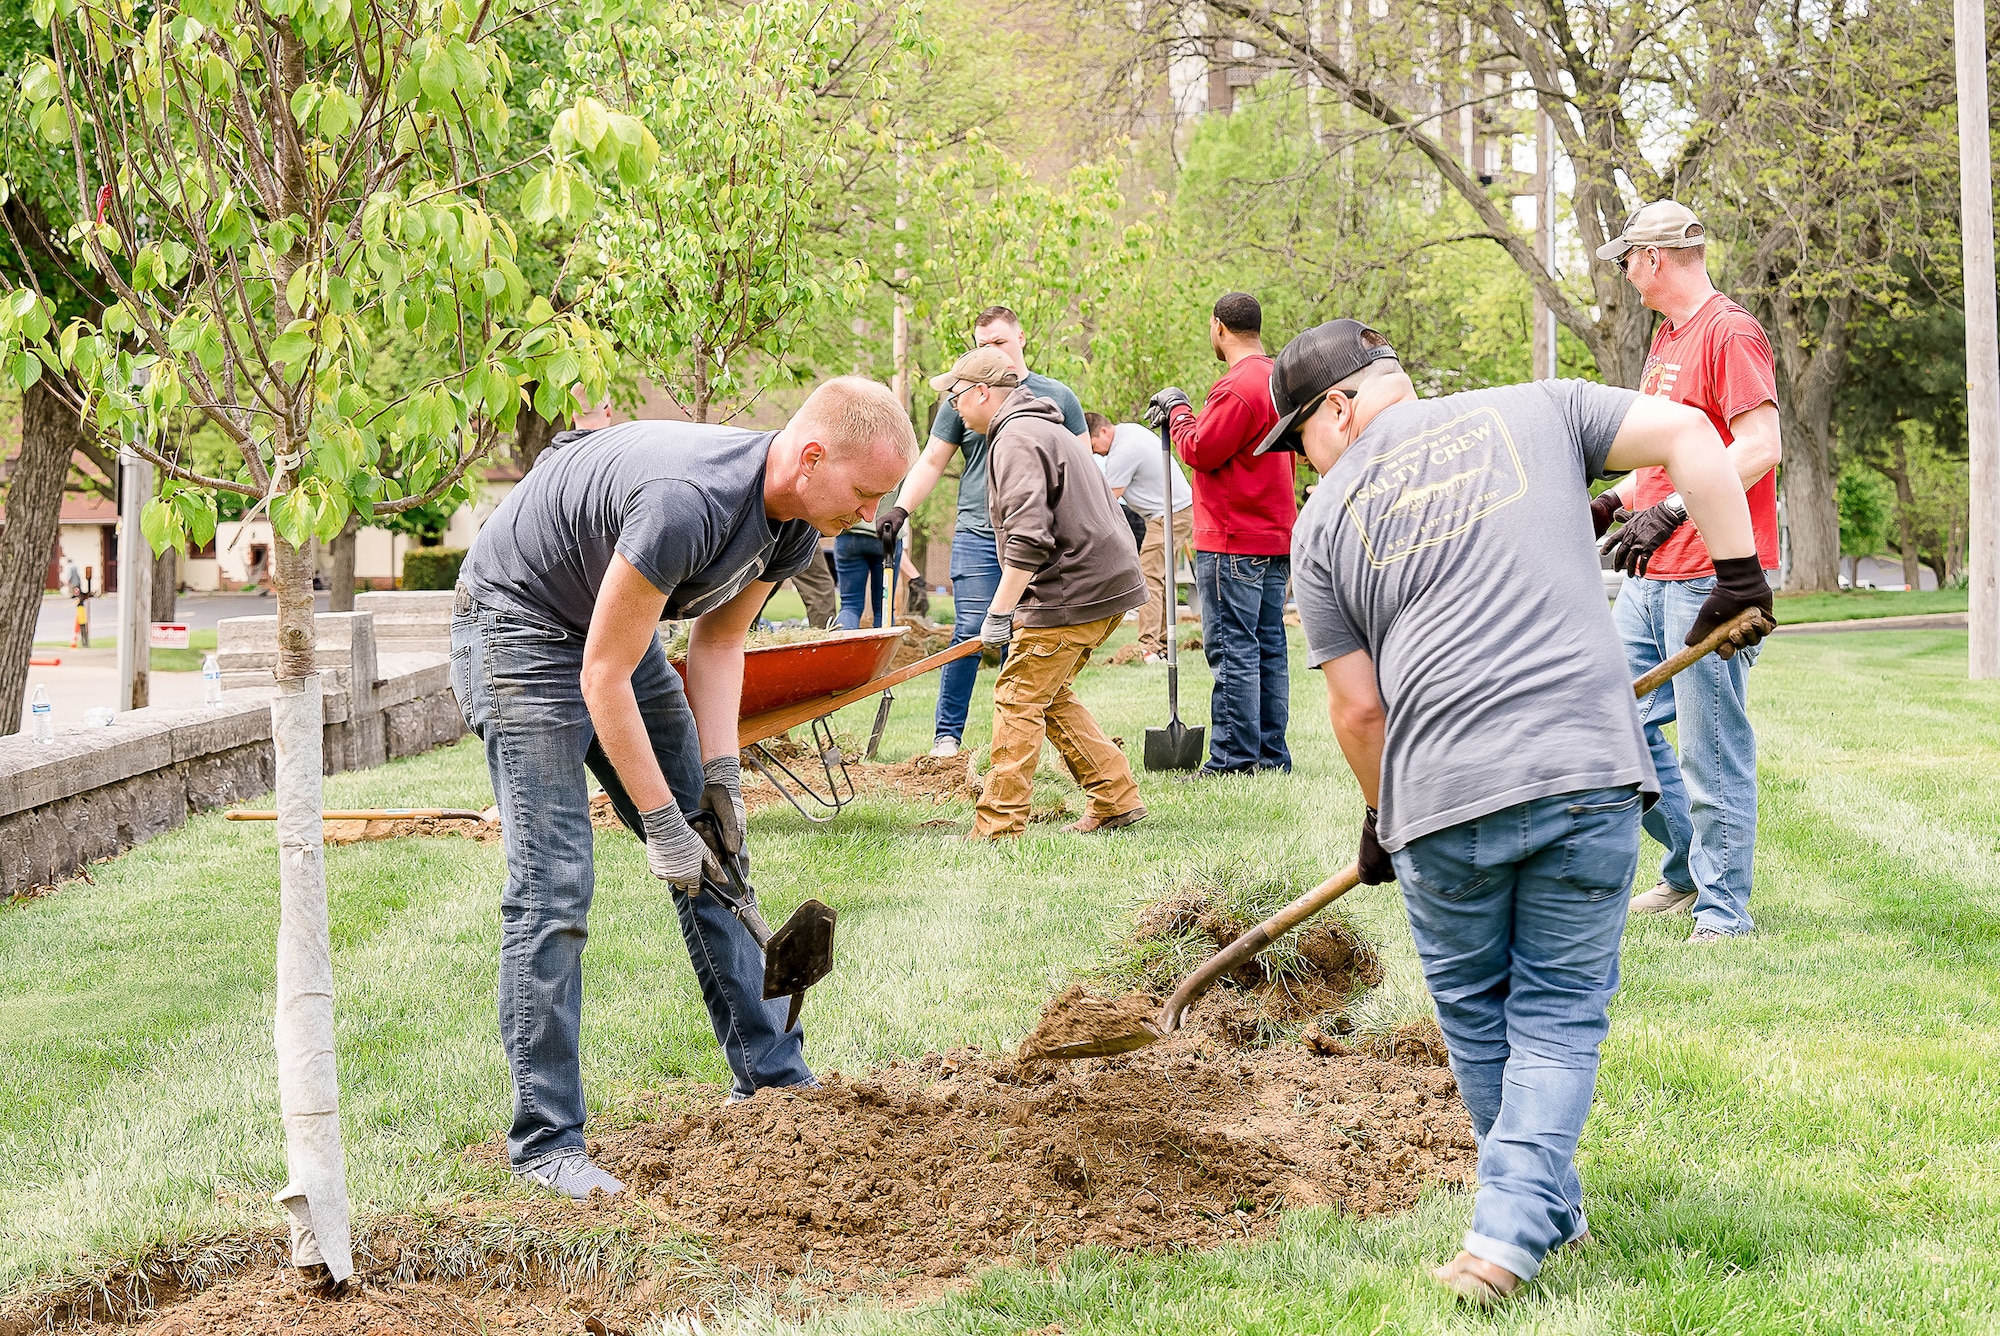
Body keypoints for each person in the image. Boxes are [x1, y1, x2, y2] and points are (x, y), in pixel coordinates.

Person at [1272, 319, 1770, 1306]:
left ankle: (1501, 1235)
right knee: (1553, 1011)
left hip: (1440, 796)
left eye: (1298, 441)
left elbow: (1358, 707)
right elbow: (1692, 438)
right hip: (1582, 774)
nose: (1300, 464)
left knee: (1482, 1017)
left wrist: (1381, 814)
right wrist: (1737, 575)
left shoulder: (1321, 526)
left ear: (1339, 407)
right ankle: (1547, 1209)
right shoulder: (1541, 408)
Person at [452, 377, 916, 1198]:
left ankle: (772, 1080)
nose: (872, 515)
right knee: (554, 886)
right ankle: (547, 1144)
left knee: (718, 848)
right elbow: (601, 675)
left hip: (604, 639)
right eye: (866, 492)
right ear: (812, 459)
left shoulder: (794, 531)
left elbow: (719, 644)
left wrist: (719, 779)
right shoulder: (687, 502)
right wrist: (663, 824)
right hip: (518, 628)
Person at [1594, 202, 1783, 943]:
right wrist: (1619, 498)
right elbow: (1669, 441)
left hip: (1712, 574)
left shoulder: (1729, 332)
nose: (1624, 274)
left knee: (1710, 746)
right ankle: (1685, 870)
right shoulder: (1667, 335)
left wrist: (1672, 510)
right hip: (1650, 576)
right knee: (1610, 722)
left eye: (1627, 260)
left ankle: (1723, 910)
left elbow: (1759, 444)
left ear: (1655, 259)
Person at [931, 349, 1148, 839]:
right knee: (1048, 693)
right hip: (1104, 579)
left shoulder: (1016, 439)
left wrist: (999, 612)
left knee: (1018, 694)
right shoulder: (1039, 427)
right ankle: (1116, 798)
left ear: (982, 392)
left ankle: (999, 823)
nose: (953, 407)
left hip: (1078, 585)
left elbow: (1029, 537)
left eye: (956, 395)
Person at [874, 307, 1089, 758]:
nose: (990, 350)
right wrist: (900, 508)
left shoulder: (1057, 396)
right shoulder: (965, 394)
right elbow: (933, 459)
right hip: (977, 531)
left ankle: (1017, 741)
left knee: (1032, 638)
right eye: (982, 343)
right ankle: (947, 737)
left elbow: (1082, 466)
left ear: (1021, 337)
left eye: (998, 341)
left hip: (1040, 538)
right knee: (970, 631)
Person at [1148, 291, 1295, 776]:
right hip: (1275, 536)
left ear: (1219, 328)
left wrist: (1178, 411)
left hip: (1234, 539)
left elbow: (1200, 450)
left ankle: (1233, 759)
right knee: (1268, 646)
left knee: (1233, 647)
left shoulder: (1237, 386)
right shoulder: (1280, 379)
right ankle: (1270, 756)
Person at [1089, 413, 1196, 662]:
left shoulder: (1123, 451)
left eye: (1094, 446)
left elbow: (1107, 502)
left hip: (1168, 514)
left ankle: (1148, 645)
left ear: (1103, 432)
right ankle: (1162, 641)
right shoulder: (1129, 431)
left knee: (1149, 578)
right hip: (1178, 510)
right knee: (1163, 577)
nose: (1097, 454)